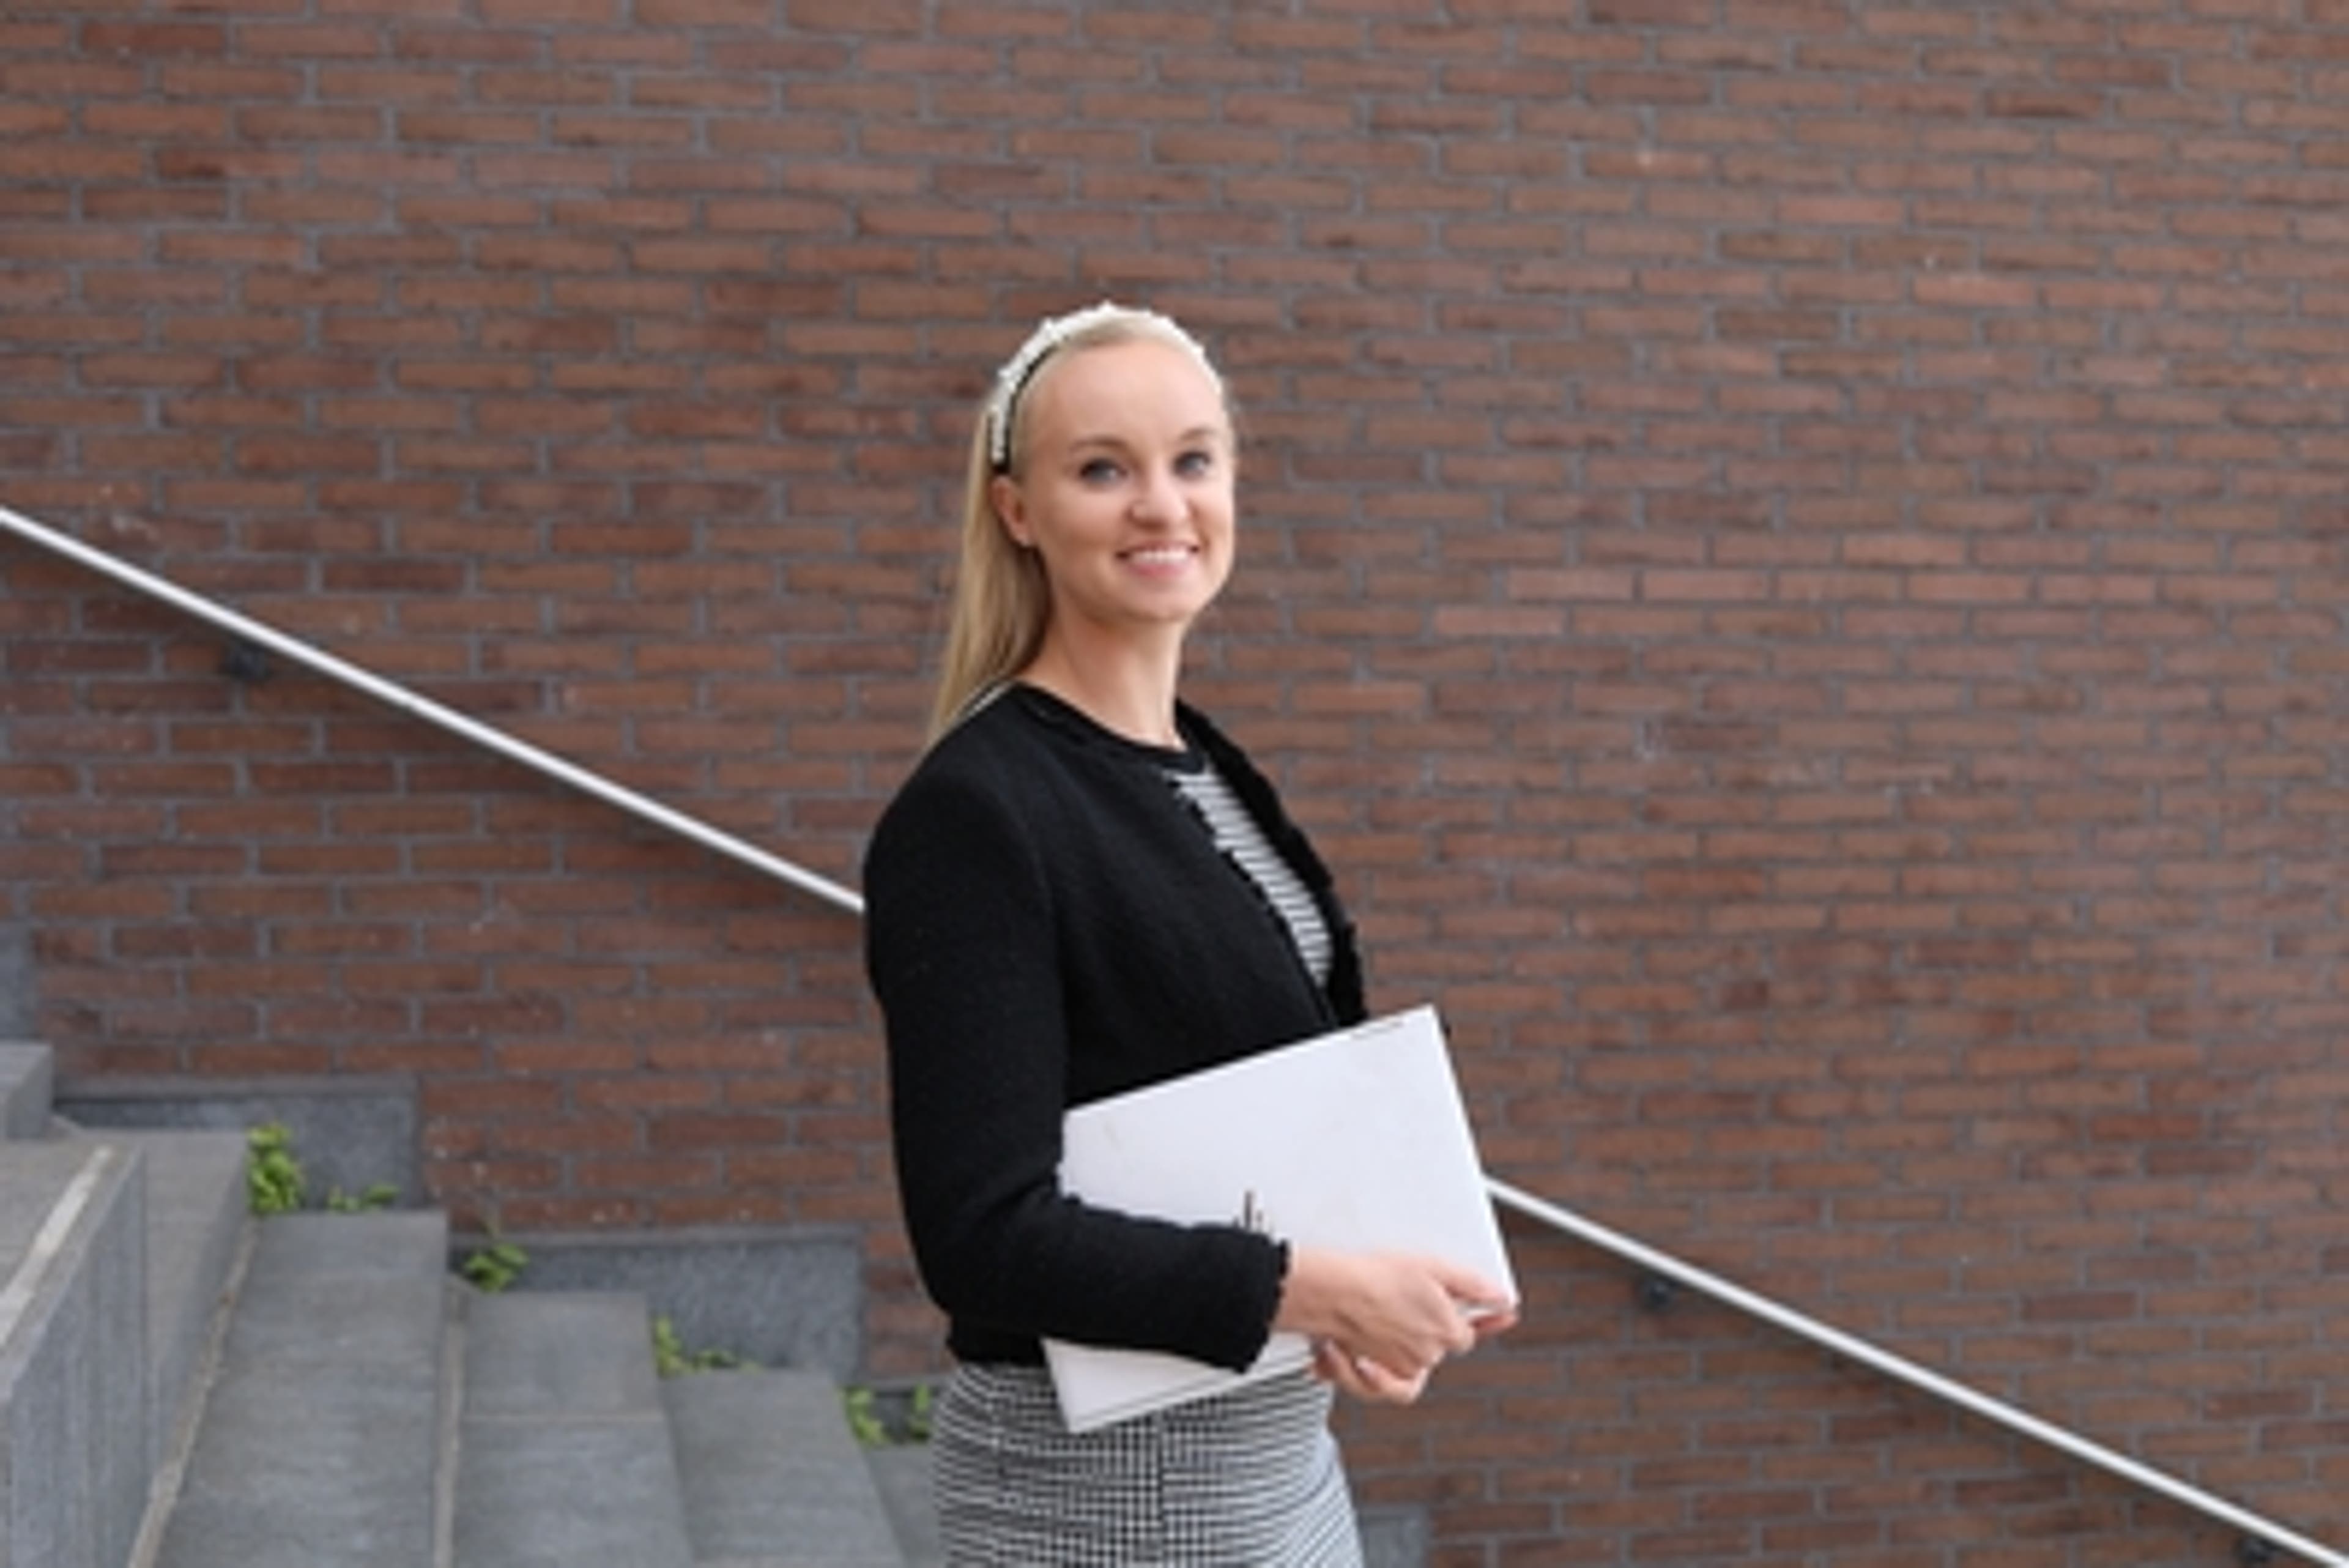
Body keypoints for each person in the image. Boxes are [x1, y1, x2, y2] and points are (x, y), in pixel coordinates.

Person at [861, 302, 1516, 1566]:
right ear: (1017, 509)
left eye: (1193, 460)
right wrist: (1306, 1289)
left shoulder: (1209, 770)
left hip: (1279, 1458)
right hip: (1104, 1497)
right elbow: (981, 1234)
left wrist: (1355, 1311)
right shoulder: (975, 812)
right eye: (1103, 468)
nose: (1162, 504)